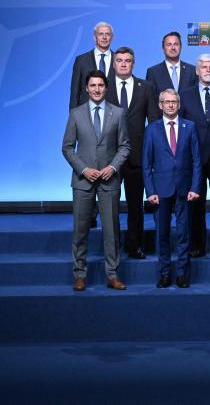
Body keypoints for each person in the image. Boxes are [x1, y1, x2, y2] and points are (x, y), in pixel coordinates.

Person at [61, 70, 131, 291]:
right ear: (86, 88)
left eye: (101, 85)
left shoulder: (118, 113)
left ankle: (112, 275)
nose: (97, 89)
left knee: (111, 232)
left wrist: (112, 167)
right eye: (93, 85)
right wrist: (84, 169)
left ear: (106, 88)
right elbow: (67, 147)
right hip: (83, 182)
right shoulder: (76, 114)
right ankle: (80, 274)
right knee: (80, 231)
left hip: (109, 181)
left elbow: (125, 146)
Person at [105, 47, 161, 259]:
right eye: (119, 60)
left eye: (127, 61)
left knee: (135, 205)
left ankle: (134, 245)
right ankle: (112, 247)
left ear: (133, 63)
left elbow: (154, 122)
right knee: (109, 206)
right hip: (109, 157)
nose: (123, 64)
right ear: (114, 63)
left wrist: (153, 154)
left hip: (137, 156)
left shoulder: (145, 87)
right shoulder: (105, 87)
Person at [142, 89, 201, 288]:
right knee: (162, 235)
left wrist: (195, 187)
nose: (170, 105)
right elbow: (146, 164)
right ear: (160, 105)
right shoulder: (152, 129)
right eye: (166, 102)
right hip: (160, 190)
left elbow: (197, 161)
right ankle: (165, 273)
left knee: (184, 234)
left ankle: (183, 274)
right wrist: (150, 191)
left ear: (179, 104)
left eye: (174, 101)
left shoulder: (190, 127)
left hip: (185, 190)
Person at [179, 55, 210, 258]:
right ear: (197, 71)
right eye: (204, 67)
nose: (208, 70)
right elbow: (181, 127)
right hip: (194, 159)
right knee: (195, 204)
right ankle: (197, 244)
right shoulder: (185, 94)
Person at [69, 22, 114, 108]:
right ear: (94, 37)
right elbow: (75, 93)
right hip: (86, 115)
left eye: (107, 34)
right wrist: (73, 119)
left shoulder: (120, 62)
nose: (104, 37)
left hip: (113, 116)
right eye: (101, 34)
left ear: (112, 37)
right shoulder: (81, 60)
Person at [146, 31, 198, 101]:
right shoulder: (153, 72)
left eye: (176, 44)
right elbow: (150, 100)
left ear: (181, 47)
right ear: (163, 49)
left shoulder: (192, 70)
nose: (173, 47)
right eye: (169, 44)